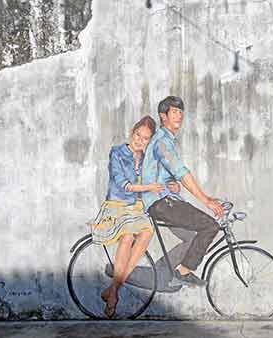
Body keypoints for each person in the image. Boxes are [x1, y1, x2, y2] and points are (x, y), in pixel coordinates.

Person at [90, 115, 180, 318]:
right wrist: (151, 186)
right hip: (117, 205)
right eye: (138, 135)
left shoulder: (148, 159)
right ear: (132, 133)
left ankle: (113, 291)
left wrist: (171, 185)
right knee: (128, 237)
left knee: (147, 232)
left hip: (137, 208)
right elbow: (124, 185)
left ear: (150, 141)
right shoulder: (117, 153)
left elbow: (163, 181)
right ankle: (114, 292)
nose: (140, 140)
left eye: (146, 138)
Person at [142, 96, 225, 287]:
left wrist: (175, 185)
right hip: (161, 203)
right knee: (210, 226)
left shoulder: (166, 141)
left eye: (181, 112)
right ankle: (184, 271)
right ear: (163, 116)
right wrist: (206, 200)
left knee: (192, 238)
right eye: (174, 112)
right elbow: (181, 172)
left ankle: (161, 272)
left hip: (166, 200)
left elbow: (169, 176)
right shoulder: (162, 142)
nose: (179, 116)